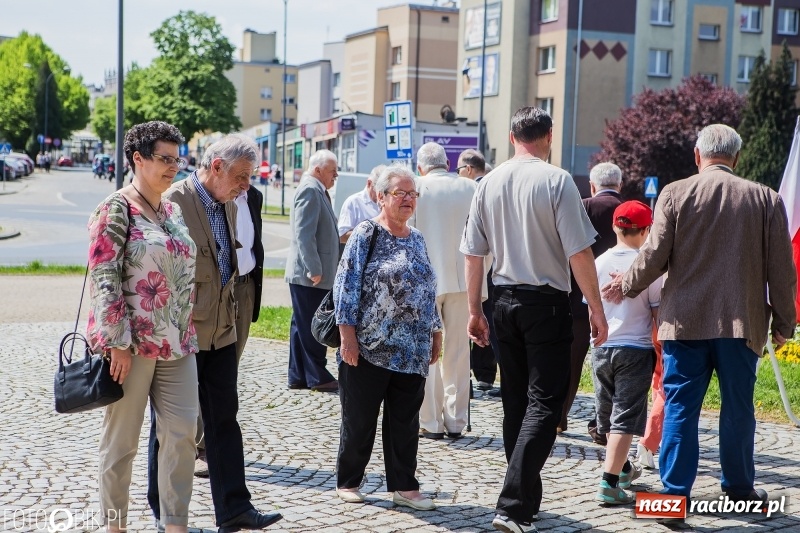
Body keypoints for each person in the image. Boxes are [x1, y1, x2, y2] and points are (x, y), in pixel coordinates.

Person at [602, 124, 795, 515]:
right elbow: (782, 269)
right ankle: (740, 491)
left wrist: (627, 284)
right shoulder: (765, 198)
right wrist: (785, 323)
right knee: (738, 409)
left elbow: (654, 254)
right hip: (742, 323)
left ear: (697, 155)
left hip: (684, 323)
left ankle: (672, 497)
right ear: (736, 157)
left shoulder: (675, 193)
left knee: (679, 408)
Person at [460, 106, 608, 533]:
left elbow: (473, 255)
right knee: (544, 403)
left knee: (516, 402)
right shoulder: (557, 180)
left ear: (511, 138)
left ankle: (525, 498)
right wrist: (596, 309)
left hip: (503, 301)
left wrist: (475, 310)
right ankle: (513, 506)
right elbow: (579, 251)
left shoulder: (487, 183)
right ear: (549, 137)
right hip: (546, 303)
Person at [147, 133, 282, 532]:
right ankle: (164, 512)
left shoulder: (227, 202)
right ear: (217, 167)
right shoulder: (173, 201)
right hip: (183, 337)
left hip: (221, 331)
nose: (246, 185)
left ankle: (235, 508)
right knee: (172, 426)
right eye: (241, 176)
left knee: (224, 420)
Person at [87, 121, 198, 533]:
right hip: (131, 346)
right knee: (122, 442)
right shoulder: (116, 208)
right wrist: (116, 342)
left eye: (177, 159)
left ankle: (175, 523)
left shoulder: (172, 210)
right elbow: (104, 276)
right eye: (165, 159)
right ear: (138, 159)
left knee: (182, 433)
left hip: (177, 342)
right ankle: (114, 525)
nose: (173, 167)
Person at [334, 164, 442, 510]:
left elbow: (428, 288)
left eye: (412, 193)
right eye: (400, 193)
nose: (408, 199)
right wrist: (347, 337)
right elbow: (345, 286)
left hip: (411, 350)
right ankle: (349, 480)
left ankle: (404, 487)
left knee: (405, 423)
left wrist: (435, 330)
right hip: (370, 346)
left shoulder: (417, 237)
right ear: (381, 197)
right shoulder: (366, 234)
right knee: (360, 419)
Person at [590, 200, 662, 505]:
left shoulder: (598, 263)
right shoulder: (648, 267)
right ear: (646, 230)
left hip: (601, 349)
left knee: (609, 417)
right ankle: (609, 483)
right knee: (625, 418)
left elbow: (591, 309)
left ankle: (622, 470)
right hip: (635, 348)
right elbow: (657, 313)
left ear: (614, 227)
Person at [194, 171, 265, 478]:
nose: (246, 182)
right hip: (216, 289)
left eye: (250, 174)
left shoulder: (254, 197)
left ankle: (214, 442)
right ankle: (201, 447)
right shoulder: (211, 197)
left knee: (228, 368)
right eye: (241, 175)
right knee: (205, 368)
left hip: (245, 287)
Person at [413, 142, 479, 440]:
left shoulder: (415, 188)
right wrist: (480, 276)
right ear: (448, 164)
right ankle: (455, 420)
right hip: (464, 279)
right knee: (459, 351)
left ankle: (430, 421)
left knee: (427, 350)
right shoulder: (470, 187)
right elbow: (485, 238)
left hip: (424, 280)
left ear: (420, 167)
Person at [560, 162, 623, 437]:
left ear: (592, 185)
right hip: (620, 302)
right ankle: (604, 425)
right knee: (614, 369)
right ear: (620, 185)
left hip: (577, 299)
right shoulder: (628, 210)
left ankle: (559, 418)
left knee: (570, 364)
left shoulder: (581, 206)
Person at [285, 150, 340, 392]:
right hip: (310, 275)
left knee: (301, 326)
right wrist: (314, 268)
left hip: (311, 275)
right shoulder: (310, 189)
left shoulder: (316, 189)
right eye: (332, 170)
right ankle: (317, 376)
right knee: (312, 326)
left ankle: (298, 375)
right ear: (318, 169)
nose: (336, 175)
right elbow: (304, 234)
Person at [338, 164, 384, 243]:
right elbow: (342, 236)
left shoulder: (387, 202)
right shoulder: (354, 202)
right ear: (369, 183)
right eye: (379, 191)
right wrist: (370, 234)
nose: (382, 195)